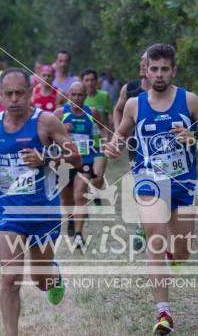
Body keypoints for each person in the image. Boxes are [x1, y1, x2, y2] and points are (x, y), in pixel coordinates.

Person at [104, 44, 198, 335]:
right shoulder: (135, 104)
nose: (158, 74)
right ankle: (163, 313)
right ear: (146, 70)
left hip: (182, 183)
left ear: (173, 71)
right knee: (155, 237)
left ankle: (173, 257)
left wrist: (194, 136)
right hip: (148, 181)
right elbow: (121, 134)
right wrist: (114, 146)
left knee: (181, 252)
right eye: (153, 69)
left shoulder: (189, 100)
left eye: (164, 69)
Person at [0, 68, 81, 336]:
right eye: (7, 93)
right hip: (7, 210)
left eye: (19, 93)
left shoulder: (45, 122)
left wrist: (46, 158)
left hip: (42, 211)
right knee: (10, 277)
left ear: (30, 92)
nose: (13, 99)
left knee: (41, 281)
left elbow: (76, 157)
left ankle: (53, 276)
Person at [54, 81, 104, 246]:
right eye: (73, 94)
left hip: (84, 160)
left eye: (80, 94)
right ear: (68, 95)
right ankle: (70, 218)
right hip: (64, 161)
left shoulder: (92, 112)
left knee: (79, 195)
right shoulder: (60, 113)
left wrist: (103, 145)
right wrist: (61, 129)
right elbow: (46, 134)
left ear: (86, 95)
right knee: (66, 199)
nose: (76, 98)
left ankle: (78, 234)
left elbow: (103, 129)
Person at [112, 52, 151, 252]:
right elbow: (118, 109)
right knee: (142, 186)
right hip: (137, 146)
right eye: (141, 62)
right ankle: (141, 226)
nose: (142, 65)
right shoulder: (130, 89)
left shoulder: (167, 91)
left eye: (146, 62)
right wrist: (120, 133)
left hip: (163, 148)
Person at [81, 68, 112, 205]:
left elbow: (110, 117)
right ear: (82, 82)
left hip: (100, 142)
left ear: (97, 81)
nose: (90, 83)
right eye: (86, 80)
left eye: (92, 80)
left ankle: (96, 194)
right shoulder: (78, 97)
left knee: (98, 176)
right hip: (83, 145)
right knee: (85, 176)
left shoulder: (104, 96)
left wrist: (110, 138)